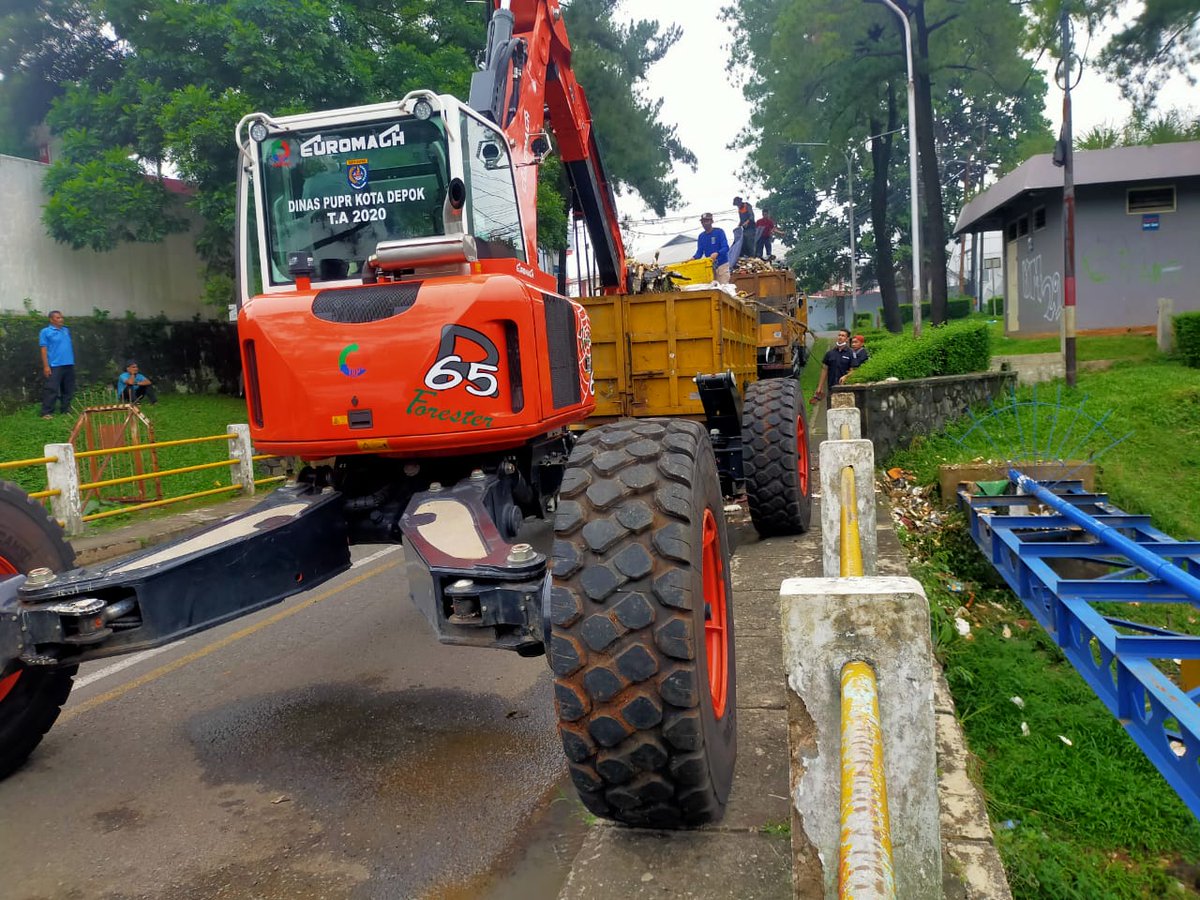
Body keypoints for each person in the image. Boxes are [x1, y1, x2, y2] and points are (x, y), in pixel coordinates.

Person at [39, 310, 75, 419]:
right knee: (51, 389)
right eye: (58, 318)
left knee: (68, 389)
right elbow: (43, 350)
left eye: (61, 317)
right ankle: (46, 412)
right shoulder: (45, 332)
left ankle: (65, 409)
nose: (61, 319)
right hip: (55, 365)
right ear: (51, 319)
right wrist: (46, 366)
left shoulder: (66, 330)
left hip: (69, 364)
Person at [810, 329, 853, 408]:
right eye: (839, 335)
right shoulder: (830, 354)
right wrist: (820, 387)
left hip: (845, 388)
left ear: (847, 339)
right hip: (832, 388)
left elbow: (853, 370)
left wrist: (846, 376)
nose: (840, 337)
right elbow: (824, 370)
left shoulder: (851, 353)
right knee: (831, 411)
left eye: (843, 336)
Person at [692, 212, 731, 284]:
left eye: (707, 221)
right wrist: (693, 258)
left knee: (724, 288)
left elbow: (726, 247)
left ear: (712, 221)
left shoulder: (719, 232)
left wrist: (717, 253)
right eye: (703, 222)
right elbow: (699, 253)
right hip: (710, 267)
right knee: (712, 289)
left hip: (722, 266)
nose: (705, 223)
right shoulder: (701, 236)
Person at [733, 196, 756, 262]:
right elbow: (741, 220)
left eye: (738, 204)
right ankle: (745, 257)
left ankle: (752, 258)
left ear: (740, 202)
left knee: (750, 243)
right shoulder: (739, 210)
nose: (737, 206)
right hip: (745, 229)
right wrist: (738, 226)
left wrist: (747, 222)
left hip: (751, 228)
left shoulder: (747, 206)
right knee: (743, 242)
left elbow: (752, 216)